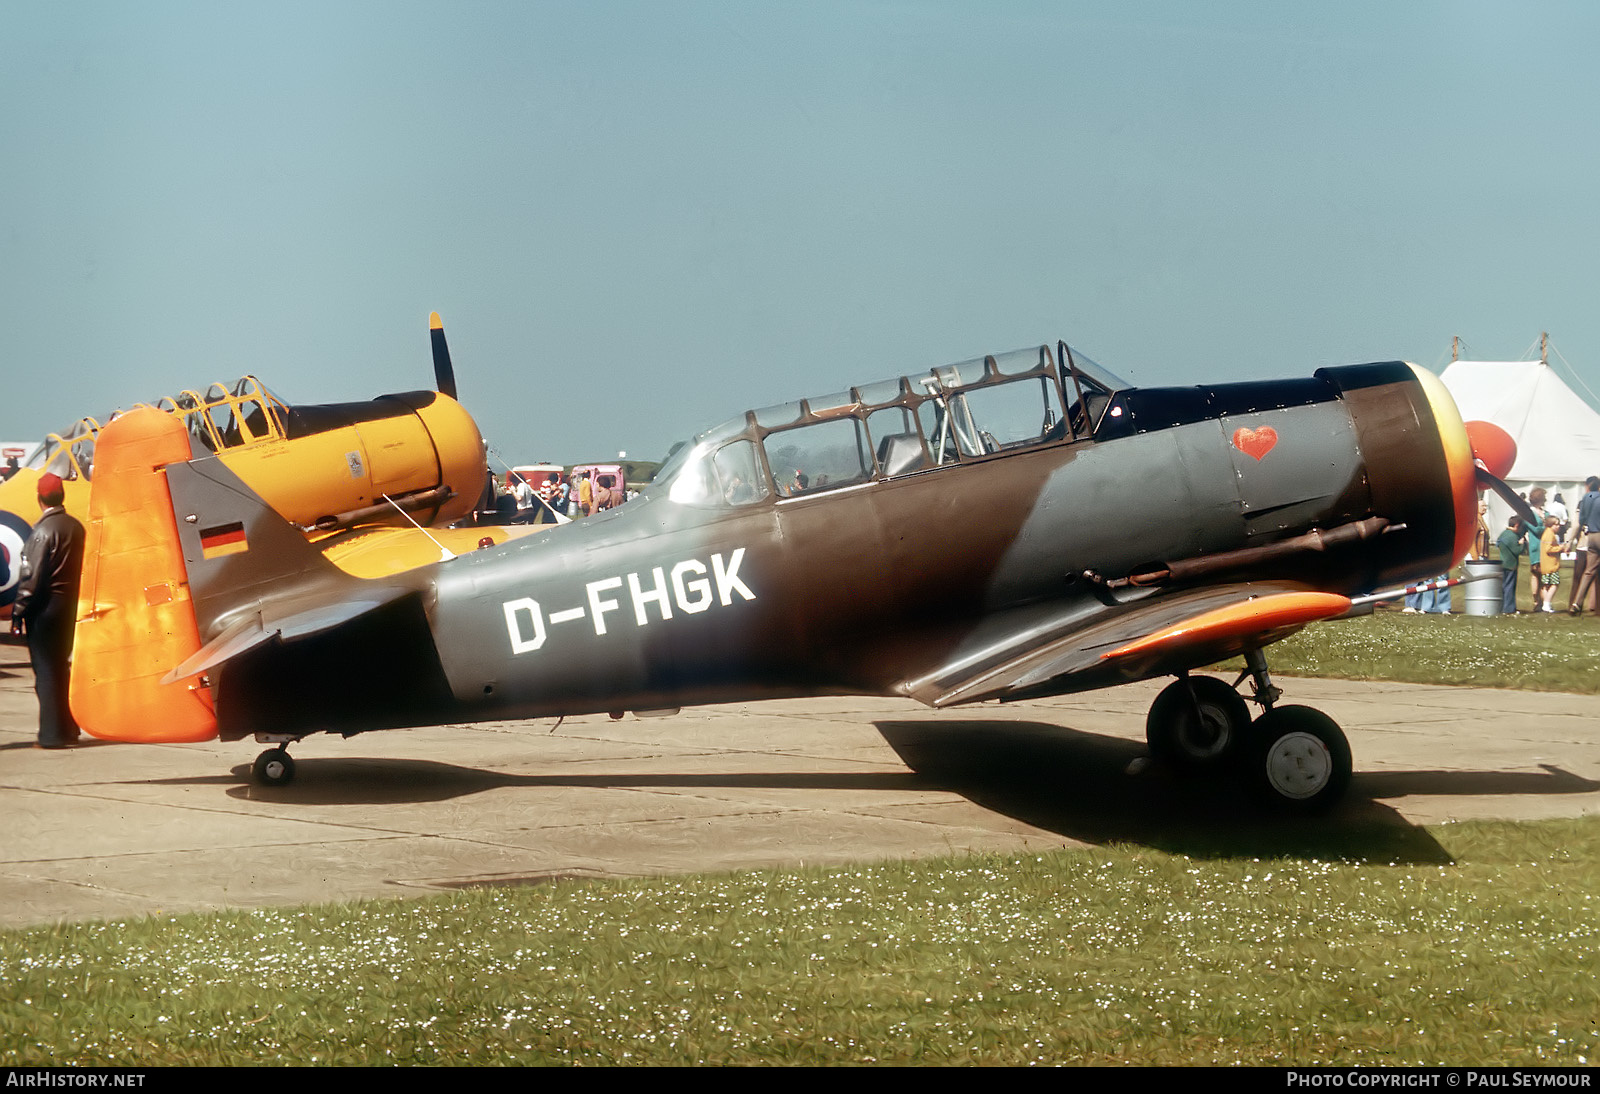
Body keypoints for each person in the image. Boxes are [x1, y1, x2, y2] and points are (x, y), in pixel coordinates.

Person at [10, 473, 85, 749]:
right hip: (68, 607)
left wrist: (18, 612)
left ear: (40, 499)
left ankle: (52, 735)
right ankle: (69, 727)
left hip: (44, 609)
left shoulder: (42, 532)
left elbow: (31, 577)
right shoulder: (76, 527)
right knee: (61, 668)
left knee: (45, 671)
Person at [1570, 475, 1600, 615]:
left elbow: (1581, 519)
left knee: (1589, 571)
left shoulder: (1586, 499)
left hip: (1591, 536)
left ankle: (1577, 602)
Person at [1495, 516, 1527, 615]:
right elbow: (1517, 550)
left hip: (1502, 563)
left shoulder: (1504, 534)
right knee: (1509, 587)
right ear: (1517, 525)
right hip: (1510, 565)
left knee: (1504, 586)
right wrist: (1522, 544)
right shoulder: (1512, 536)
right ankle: (1509, 609)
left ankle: (1503, 607)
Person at [1537, 514, 1564, 613]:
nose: (1558, 526)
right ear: (1550, 525)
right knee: (1555, 584)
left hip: (1545, 565)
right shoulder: (1550, 534)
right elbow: (1548, 549)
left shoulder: (1546, 533)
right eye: (1556, 524)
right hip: (1551, 565)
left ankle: (1546, 604)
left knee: (1545, 586)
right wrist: (1560, 548)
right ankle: (1547, 603)